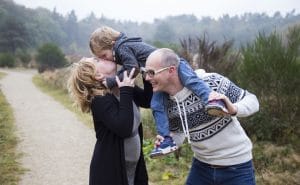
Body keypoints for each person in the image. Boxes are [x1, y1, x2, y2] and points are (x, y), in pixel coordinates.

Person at [89, 26, 228, 158]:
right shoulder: (121, 49)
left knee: (192, 81)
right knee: (156, 105)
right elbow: (129, 70)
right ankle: (166, 139)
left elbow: (132, 68)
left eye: (104, 55)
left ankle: (213, 100)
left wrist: (112, 81)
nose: (106, 59)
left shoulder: (122, 47)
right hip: (158, 78)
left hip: (174, 66)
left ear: (112, 44)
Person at [144, 48, 260, 185]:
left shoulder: (210, 82)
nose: (147, 78)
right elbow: (179, 133)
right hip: (201, 167)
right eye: (145, 73)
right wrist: (169, 141)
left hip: (237, 167)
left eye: (151, 73)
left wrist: (234, 109)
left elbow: (253, 101)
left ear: (171, 70)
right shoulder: (166, 104)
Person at [67, 57, 152, 185]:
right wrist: (126, 91)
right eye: (97, 60)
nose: (103, 58)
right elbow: (124, 128)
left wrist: (146, 74)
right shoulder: (99, 99)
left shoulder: (121, 84)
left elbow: (147, 101)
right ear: (96, 75)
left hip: (132, 166)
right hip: (111, 170)